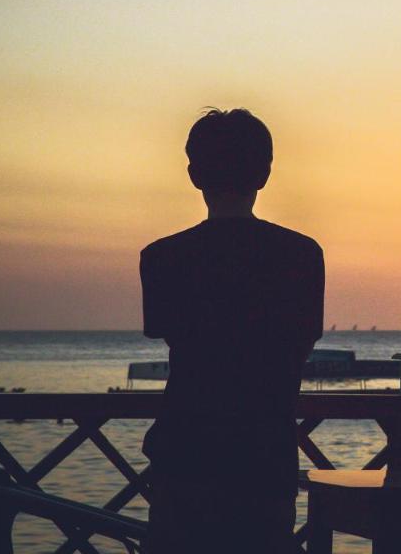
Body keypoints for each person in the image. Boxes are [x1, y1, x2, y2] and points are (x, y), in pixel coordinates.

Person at [140, 108, 324, 552]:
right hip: (265, 453)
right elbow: (302, 341)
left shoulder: (162, 257)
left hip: (185, 451)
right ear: (264, 174)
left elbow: (168, 333)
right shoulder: (301, 255)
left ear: (194, 175)